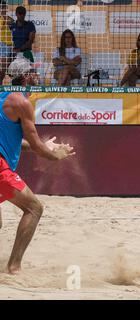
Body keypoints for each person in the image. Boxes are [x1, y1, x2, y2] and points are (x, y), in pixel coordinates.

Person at [0, 57, 75, 274]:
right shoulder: (21, 102)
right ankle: (14, 267)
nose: (37, 76)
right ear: (25, 77)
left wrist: (45, 146)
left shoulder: (4, 97)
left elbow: (20, 143)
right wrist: (55, 155)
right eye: (34, 72)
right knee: (34, 208)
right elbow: (35, 145)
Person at [0, 0, 13, 84]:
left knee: (5, 68)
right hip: (3, 44)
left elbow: (11, 21)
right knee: (3, 68)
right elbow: (9, 21)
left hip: (8, 44)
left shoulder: (5, 17)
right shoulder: (2, 18)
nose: (6, 9)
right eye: (5, 8)